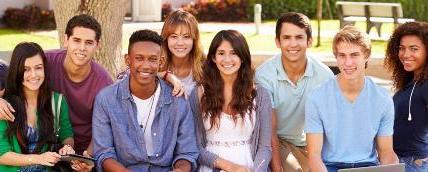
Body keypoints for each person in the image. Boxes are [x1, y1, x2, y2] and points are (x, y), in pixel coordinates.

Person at [93, 29, 198, 171]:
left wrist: (179, 170)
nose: (146, 65)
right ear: (128, 60)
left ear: (161, 62)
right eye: (139, 58)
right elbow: (104, 153)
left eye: (152, 59)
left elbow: (187, 152)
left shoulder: (178, 100)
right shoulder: (106, 99)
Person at [305, 26, 399, 172]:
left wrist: (392, 167)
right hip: (329, 167)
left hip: (367, 167)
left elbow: (386, 151)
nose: (348, 63)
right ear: (336, 57)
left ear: (366, 55)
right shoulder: (316, 97)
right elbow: (314, 156)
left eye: (354, 55)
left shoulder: (383, 99)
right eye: (342, 55)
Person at [255, 12, 333, 172]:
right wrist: (278, 169)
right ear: (277, 41)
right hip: (280, 141)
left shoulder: (325, 75)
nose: (293, 44)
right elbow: (270, 129)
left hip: (313, 141)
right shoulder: (264, 75)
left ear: (309, 41)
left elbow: (330, 123)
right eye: (286, 37)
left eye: (299, 37)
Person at [190, 30, 272, 171]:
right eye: (221, 53)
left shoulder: (260, 94)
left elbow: (265, 148)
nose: (227, 59)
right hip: (211, 166)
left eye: (233, 53)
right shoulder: (199, 93)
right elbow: (194, 146)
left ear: (243, 57)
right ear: (214, 58)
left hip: (249, 166)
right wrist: (231, 167)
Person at [0, 42, 75, 171]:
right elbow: (2, 154)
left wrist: (67, 147)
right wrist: (39, 159)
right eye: (26, 69)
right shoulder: (5, 105)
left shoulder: (57, 101)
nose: (34, 75)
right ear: (17, 71)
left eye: (38, 67)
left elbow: (66, 135)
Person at [385, 21, 428, 172]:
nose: (406, 54)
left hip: (413, 164)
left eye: (414, 49)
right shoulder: (412, 81)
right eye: (402, 48)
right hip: (397, 160)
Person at [160, 9, 205, 96]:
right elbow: (131, 74)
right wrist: (167, 76)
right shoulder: (157, 62)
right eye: (174, 36)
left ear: (194, 39)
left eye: (186, 36)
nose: (180, 43)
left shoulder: (204, 65)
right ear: (166, 39)